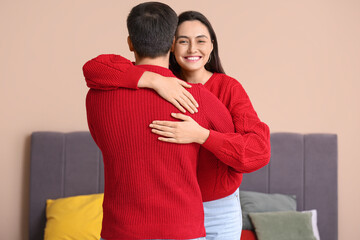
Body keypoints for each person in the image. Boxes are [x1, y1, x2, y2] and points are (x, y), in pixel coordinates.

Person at [84, 10, 271, 240]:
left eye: (201, 40)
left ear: (212, 46)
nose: (193, 49)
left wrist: (201, 135)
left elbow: (257, 151)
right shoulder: (158, 83)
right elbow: (94, 68)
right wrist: (155, 80)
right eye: (183, 40)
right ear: (171, 44)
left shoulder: (226, 90)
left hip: (215, 207)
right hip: (180, 211)